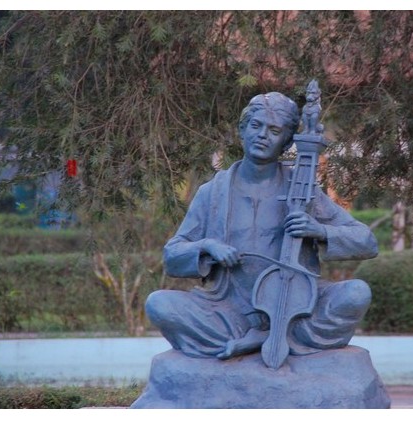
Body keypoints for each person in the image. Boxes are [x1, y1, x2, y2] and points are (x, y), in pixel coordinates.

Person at [145, 91, 378, 361]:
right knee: (159, 304)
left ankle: (272, 336)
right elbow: (172, 255)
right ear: (242, 130)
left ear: (286, 141)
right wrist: (207, 247)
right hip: (228, 309)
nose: (262, 135)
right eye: (255, 126)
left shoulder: (303, 190)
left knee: (356, 293)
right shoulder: (213, 193)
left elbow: (366, 241)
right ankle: (265, 338)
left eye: (274, 130)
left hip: (297, 305)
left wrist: (320, 231)